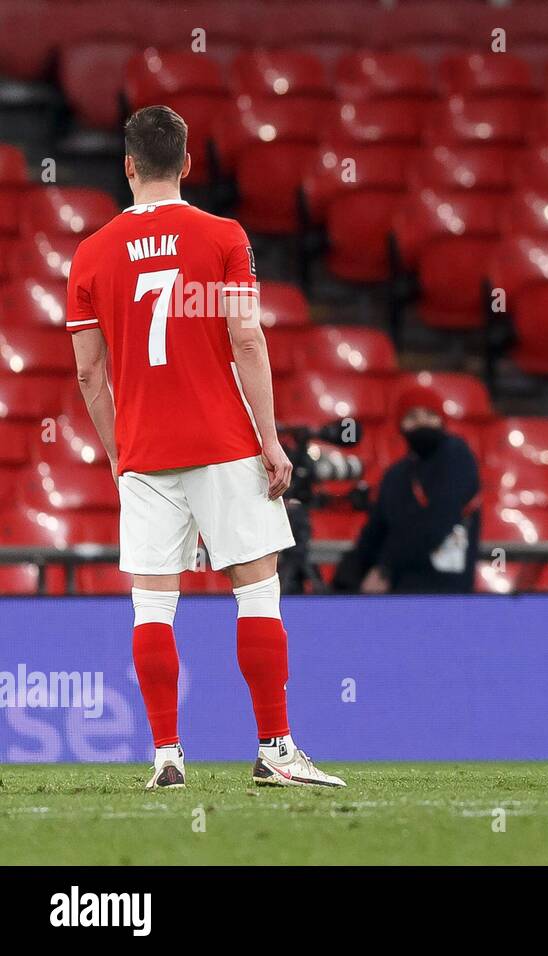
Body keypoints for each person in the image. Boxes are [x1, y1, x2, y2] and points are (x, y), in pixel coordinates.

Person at [67, 105, 344, 790]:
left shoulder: (91, 253)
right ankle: (275, 748)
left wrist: (115, 450)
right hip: (223, 443)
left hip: (146, 451)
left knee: (153, 604)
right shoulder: (223, 235)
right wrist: (272, 441)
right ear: (188, 163)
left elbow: (88, 373)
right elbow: (246, 340)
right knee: (257, 592)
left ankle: (166, 754)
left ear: (128, 166)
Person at [332, 383, 480, 594]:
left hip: (445, 590)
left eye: (429, 414)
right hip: (400, 590)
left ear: (442, 420)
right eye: (412, 416)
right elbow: (374, 532)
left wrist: (386, 569)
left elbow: (439, 521)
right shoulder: (396, 474)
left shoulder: (457, 457)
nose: (421, 422)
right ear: (400, 425)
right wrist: (349, 576)